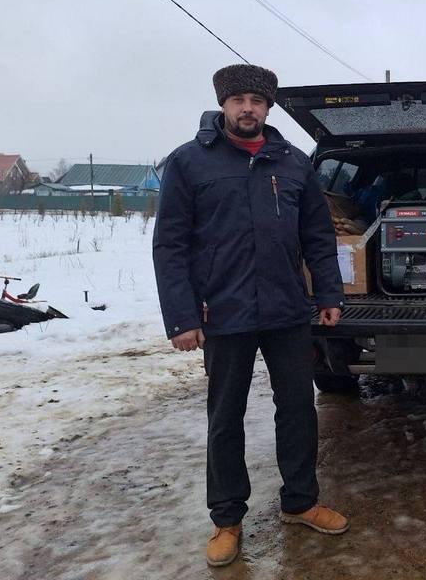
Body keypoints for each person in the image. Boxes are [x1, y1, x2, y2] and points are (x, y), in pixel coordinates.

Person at [152, 64, 349, 568]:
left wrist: (328, 293)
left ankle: (301, 502)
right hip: (222, 313)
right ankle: (226, 519)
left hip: (286, 310)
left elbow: (318, 238)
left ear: (268, 107)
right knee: (225, 418)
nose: (247, 109)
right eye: (237, 100)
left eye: (256, 101)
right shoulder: (190, 163)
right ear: (223, 105)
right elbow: (170, 245)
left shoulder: (294, 163)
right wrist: (181, 317)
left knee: (299, 410)